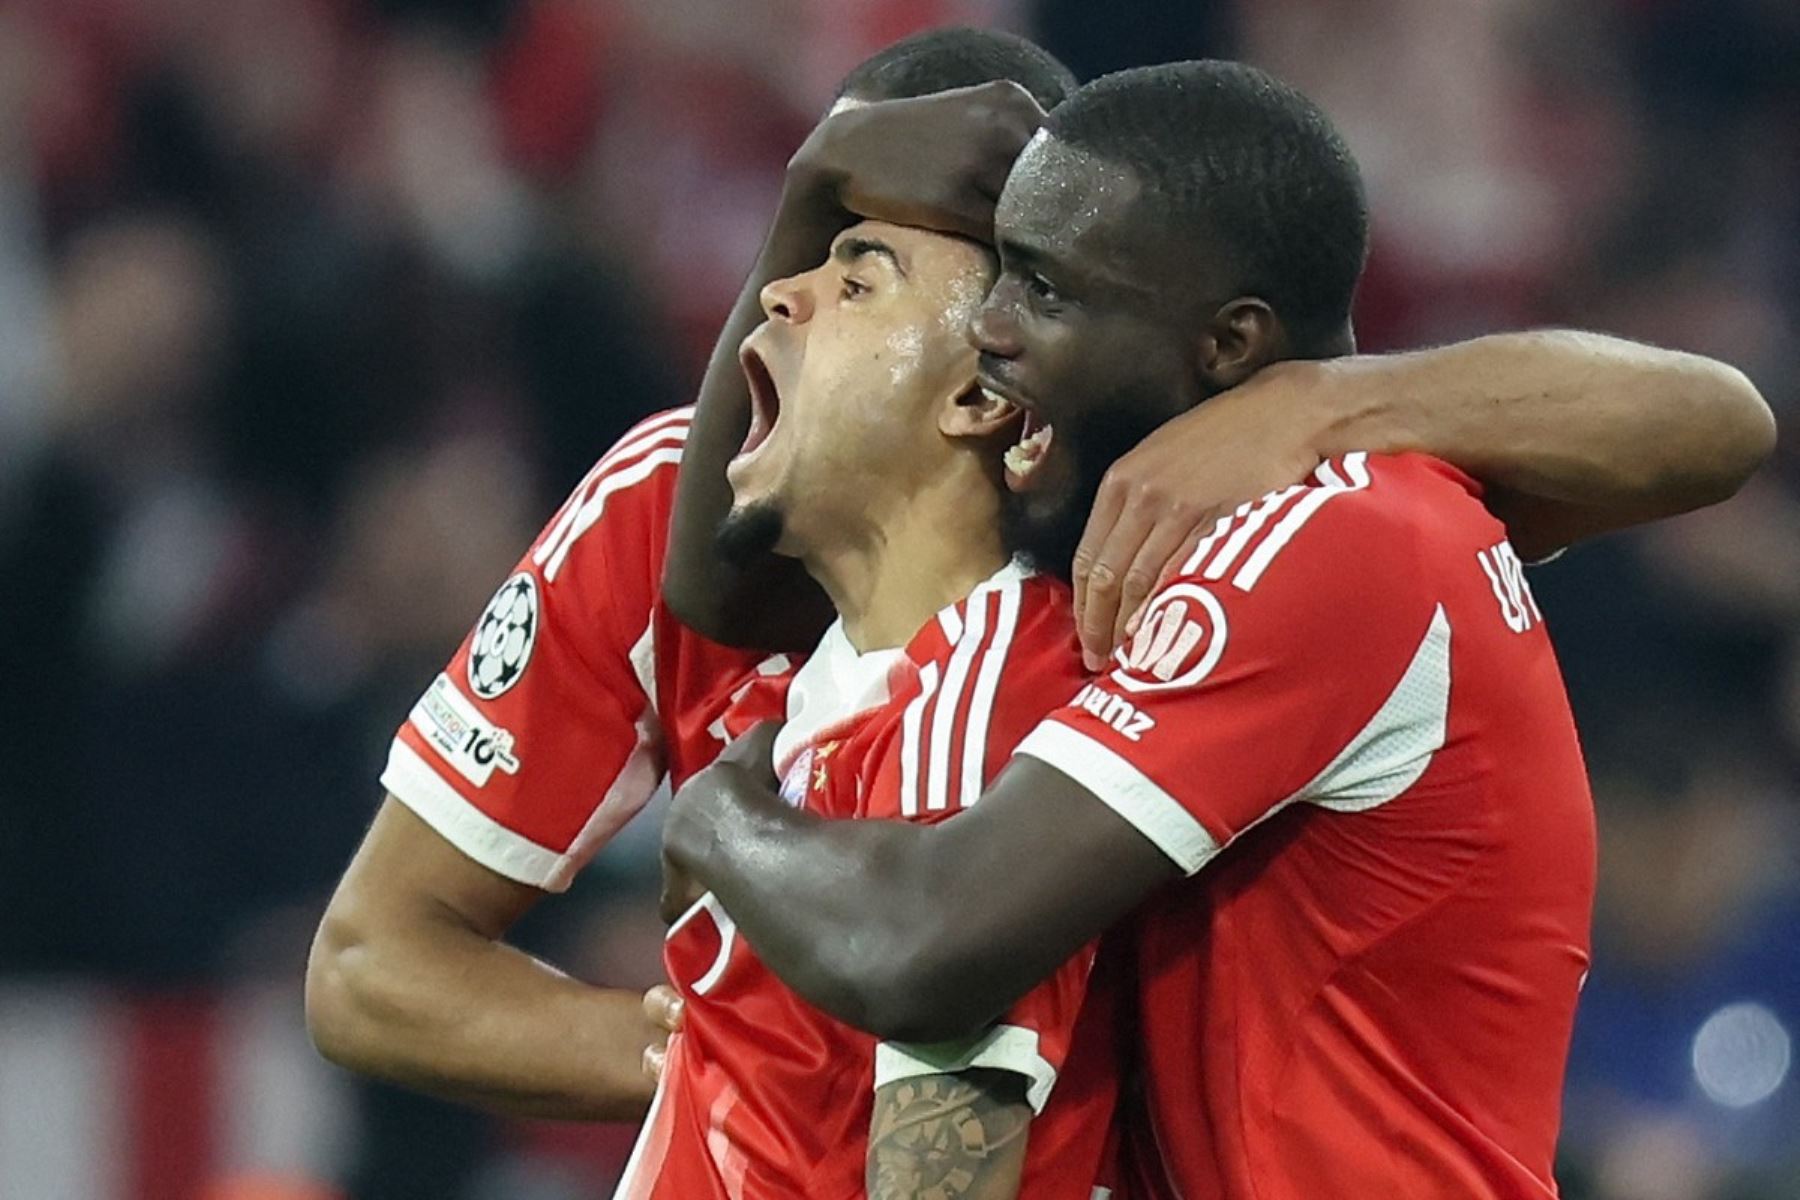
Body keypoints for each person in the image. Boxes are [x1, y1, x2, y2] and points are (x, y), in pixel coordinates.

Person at [658, 61, 1778, 1199]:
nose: (991, 327)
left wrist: (719, 817)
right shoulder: (1220, 517)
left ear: (1231, 346)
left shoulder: (1333, 538)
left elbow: (924, 944)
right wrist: (813, 189)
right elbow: (721, 586)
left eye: (1043, 290)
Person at [302, 28, 1080, 1121]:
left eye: (864, 270)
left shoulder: (1146, 539)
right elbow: (369, 965)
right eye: (802, 239)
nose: (783, 298)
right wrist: (721, 1056)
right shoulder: (659, 501)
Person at [617, 216, 1121, 1198]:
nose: (779, 295)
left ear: (977, 397)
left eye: (860, 287)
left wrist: (719, 826)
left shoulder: (992, 695)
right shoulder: (809, 698)